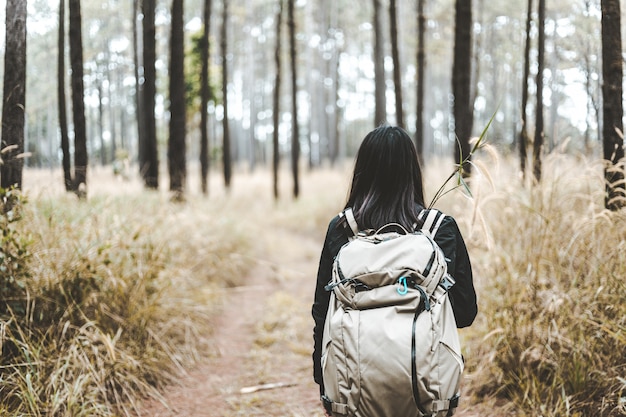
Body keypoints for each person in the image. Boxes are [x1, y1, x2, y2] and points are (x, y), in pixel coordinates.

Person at [311, 125, 478, 415]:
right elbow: (464, 314)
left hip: (352, 396)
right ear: (413, 171)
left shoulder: (341, 229)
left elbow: (322, 312)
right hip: (426, 393)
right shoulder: (440, 230)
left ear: (361, 171)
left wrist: (323, 382)